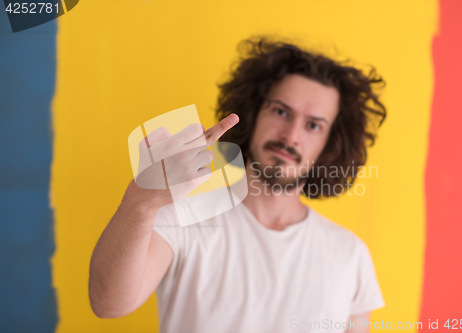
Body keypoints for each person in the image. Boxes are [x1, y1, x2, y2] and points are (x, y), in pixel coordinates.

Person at [89, 37, 387, 333]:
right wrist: (142, 200)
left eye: (313, 125)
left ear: (330, 143)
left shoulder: (350, 253)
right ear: (254, 113)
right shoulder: (183, 219)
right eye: (281, 111)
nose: (291, 135)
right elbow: (109, 304)